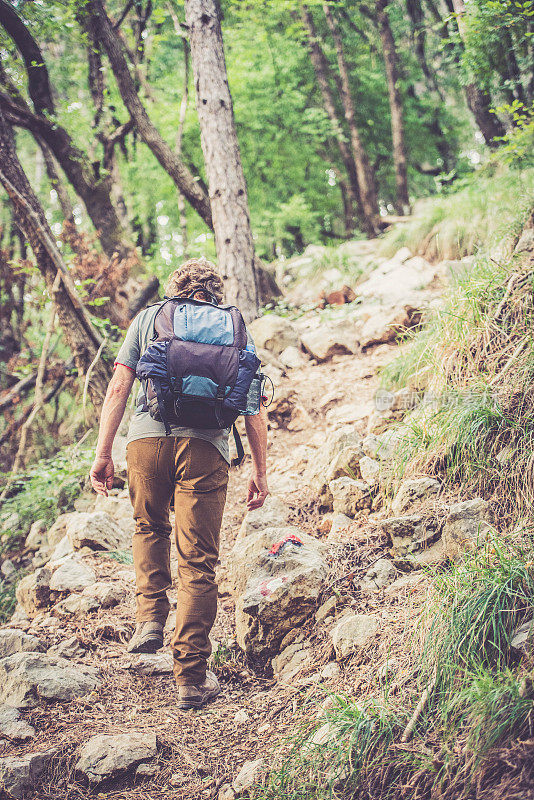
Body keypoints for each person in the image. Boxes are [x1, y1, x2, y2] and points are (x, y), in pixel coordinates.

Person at [89, 259, 269, 710]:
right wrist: (260, 473)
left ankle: (150, 619)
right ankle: (190, 676)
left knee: (149, 526)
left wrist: (102, 453)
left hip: (147, 441)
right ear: (215, 290)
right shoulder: (234, 327)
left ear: (176, 289)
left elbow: (118, 387)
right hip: (206, 448)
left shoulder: (148, 318)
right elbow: (252, 407)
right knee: (199, 561)